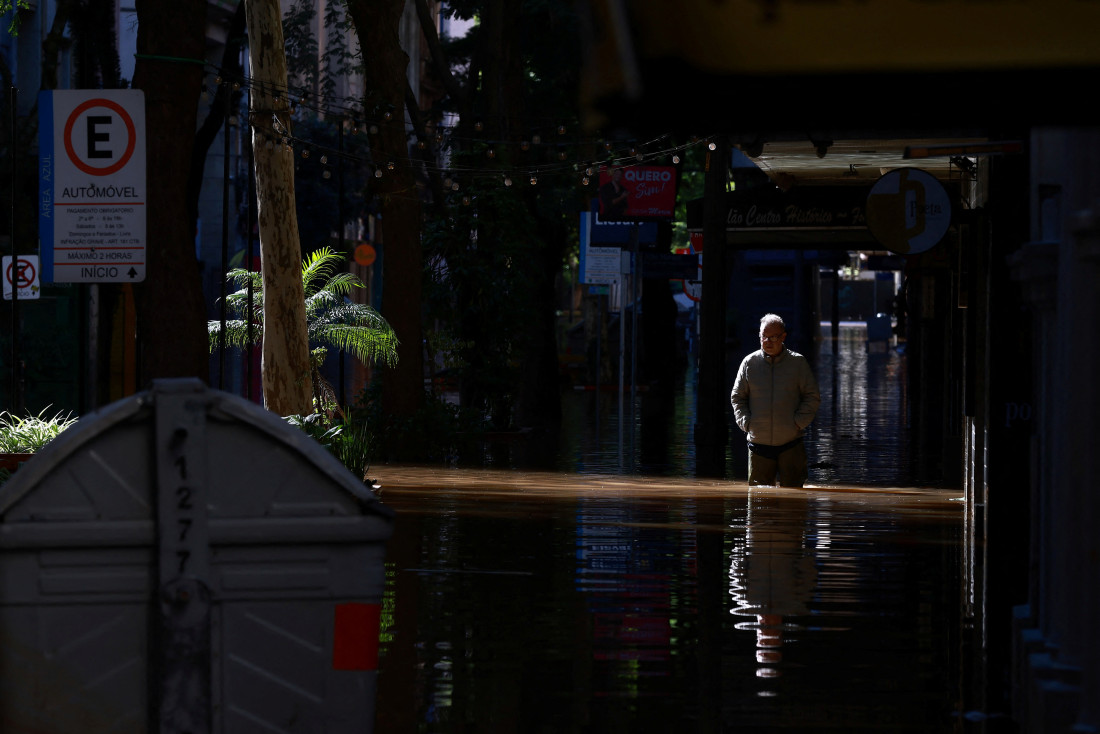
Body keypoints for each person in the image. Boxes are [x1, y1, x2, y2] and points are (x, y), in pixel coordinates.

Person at [730, 313, 821, 487]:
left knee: (794, 504)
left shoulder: (797, 363)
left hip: (791, 443)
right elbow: (737, 397)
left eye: (773, 337)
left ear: (783, 337)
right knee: (758, 504)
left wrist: (798, 423)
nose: (767, 341)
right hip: (758, 444)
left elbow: (812, 396)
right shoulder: (749, 363)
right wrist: (747, 423)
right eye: (764, 336)